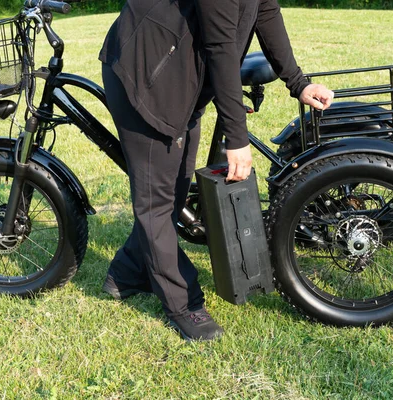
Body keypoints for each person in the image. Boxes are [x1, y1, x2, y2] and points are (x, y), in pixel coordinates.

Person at [99, 0, 334, 341]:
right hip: (147, 75)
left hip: (179, 73)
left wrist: (298, 83)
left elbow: (266, 10)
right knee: (157, 203)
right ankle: (184, 306)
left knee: (172, 191)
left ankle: (127, 272)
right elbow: (221, 47)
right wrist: (236, 138)